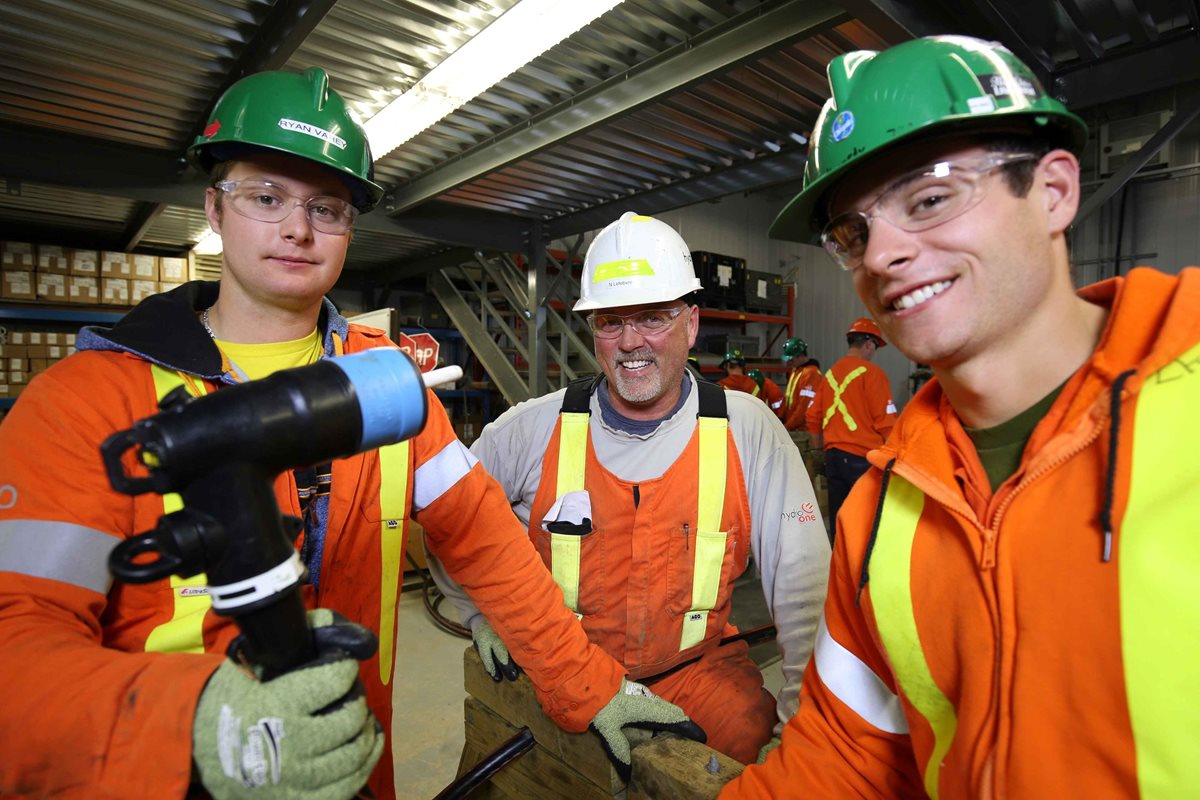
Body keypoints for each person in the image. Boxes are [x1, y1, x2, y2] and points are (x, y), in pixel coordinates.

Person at [0, 68, 701, 800]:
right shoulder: (86, 404)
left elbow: (489, 545)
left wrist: (590, 687)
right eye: (266, 197)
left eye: (327, 209)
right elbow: (13, 651)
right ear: (214, 206)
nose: (298, 228)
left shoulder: (386, 387)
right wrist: (201, 726)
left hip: (360, 776)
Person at [722, 34, 1200, 798]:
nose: (881, 256)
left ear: (1053, 192)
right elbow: (845, 757)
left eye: (931, 198)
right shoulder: (881, 516)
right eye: (854, 233)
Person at [428, 211, 831, 765]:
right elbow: (450, 518)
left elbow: (807, 592)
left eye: (652, 318)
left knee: (749, 757)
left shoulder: (748, 430)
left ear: (691, 323)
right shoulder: (529, 430)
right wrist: (480, 614)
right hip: (566, 671)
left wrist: (804, 733)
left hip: (701, 677)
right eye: (610, 321)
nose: (630, 341)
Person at [805, 317, 897, 535]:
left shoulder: (830, 375)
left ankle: (840, 565)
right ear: (868, 344)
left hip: (834, 458)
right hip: (864, 460)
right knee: (867, 524)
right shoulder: (873, 374)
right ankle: (862, 567)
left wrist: (819, 450)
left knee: (840, 522)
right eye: (874, 347)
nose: (874, 352)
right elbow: (886, 421)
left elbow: (813, 416)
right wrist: (896, 456)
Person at [780, 337, 820, 433]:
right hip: (793, 427)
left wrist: (787, 426)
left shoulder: (811, 374)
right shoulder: (796, 371)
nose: (788, 363)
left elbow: (804, 406)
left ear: (800, 356)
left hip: (803, 430)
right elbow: (787, 398)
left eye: (791, 359)